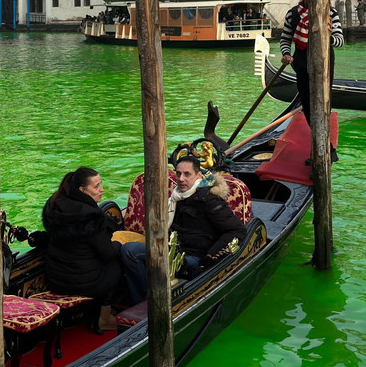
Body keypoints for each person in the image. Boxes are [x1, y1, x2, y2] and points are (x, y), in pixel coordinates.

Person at [121, 142, 246, 305]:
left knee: (137, 254)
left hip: (194, 258)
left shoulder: (209, 200)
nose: (181, 179)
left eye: (187, 174)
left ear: (199, 176)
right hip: (171, 250)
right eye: (178, 174)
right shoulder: (175, 198)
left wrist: (210, 256)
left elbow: (237, 231)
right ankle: (142, 302)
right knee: (128, 250)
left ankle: (152, 303)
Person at [40, 167, 122, 331]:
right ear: (82, 190)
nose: (102, 189)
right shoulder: (91, 216)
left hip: (56, 279)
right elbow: (107, 253)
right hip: (81, 284)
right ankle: (103, 318)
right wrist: (119, 243)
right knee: (116, 264)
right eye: (96, 186)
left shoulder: (54, 206)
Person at [279, 0, 344, 124]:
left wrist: (327, 36)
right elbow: (285, 39)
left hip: (324, 64)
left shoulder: (330, 13)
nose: (318, 0)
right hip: (301, 64)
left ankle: (324, 140)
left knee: (324, 101)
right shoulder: (293, 14)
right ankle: (313, 134)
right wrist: (286, 54)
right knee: (307, 104)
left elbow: (340, 41)